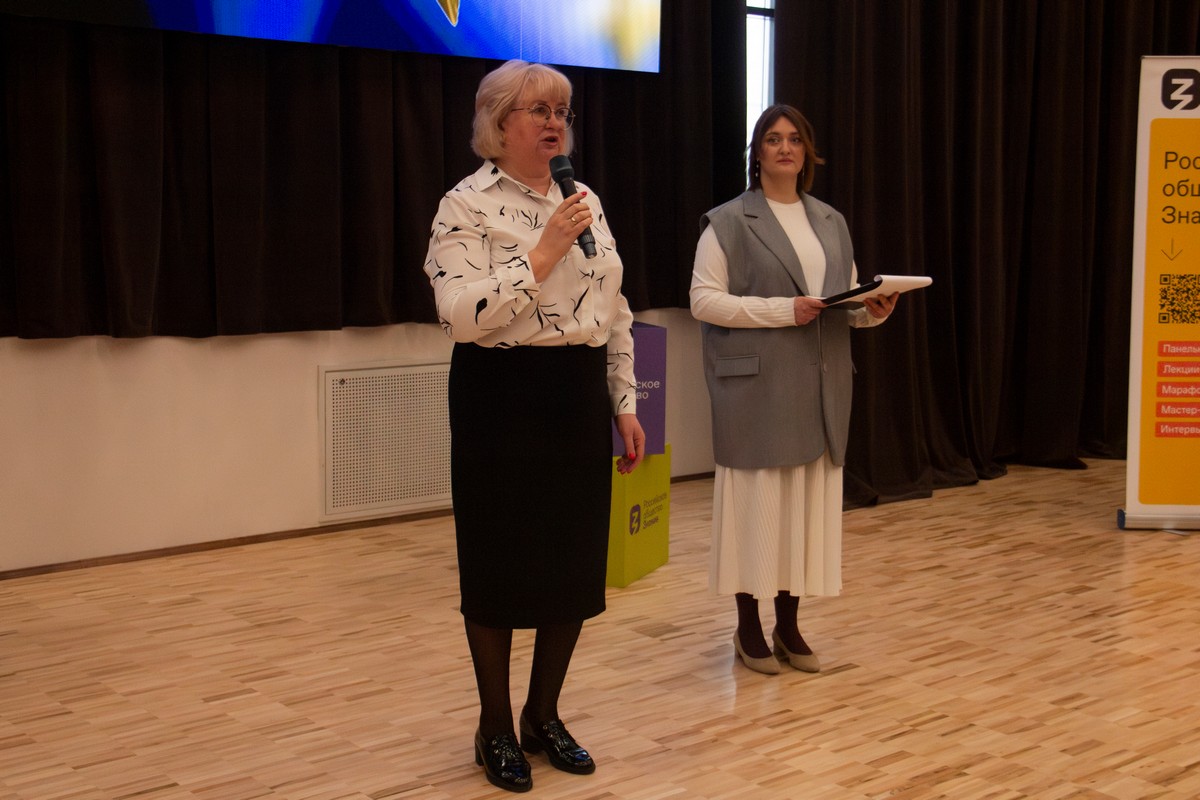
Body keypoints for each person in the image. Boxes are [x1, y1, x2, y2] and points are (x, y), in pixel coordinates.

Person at [423, 59, 645, 793]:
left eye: (562, 111)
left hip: (575, 394)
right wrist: (542, 253)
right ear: (499, 122)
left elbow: (614, 307)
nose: (555, 123)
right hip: (500, 396)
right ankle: (493, 725)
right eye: (539, 110)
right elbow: (460, 316)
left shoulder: (584, 198)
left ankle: (542, 715)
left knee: (571, 563)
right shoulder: (465, 203)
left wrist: (624, 402)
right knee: (499, 564)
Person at [689, 104, 898, 676]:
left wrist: (873, 310)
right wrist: (785, 310)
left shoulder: (830, 221)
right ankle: (747, 627)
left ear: (807, 152)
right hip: (756, 392)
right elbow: (703, 300)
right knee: (754, 511)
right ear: (757, 153)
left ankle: (789, 625)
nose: (785, 148)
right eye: (773, 139)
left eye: (795, 140)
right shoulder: (727, 221)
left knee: (803, 511)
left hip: (819, 389)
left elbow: (842, 303)